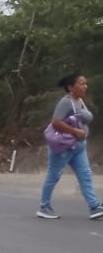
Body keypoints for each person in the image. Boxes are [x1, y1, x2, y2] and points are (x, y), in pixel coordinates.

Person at [37, 73, 103, 219]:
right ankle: (44, 207)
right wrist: (75, 131)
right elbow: (56, 122)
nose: (85, 86)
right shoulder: (66, 102)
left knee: (85, 176)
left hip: (78, 148)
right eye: (81, 84)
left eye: (85, 83)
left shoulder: (79, 101)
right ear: (70, 87)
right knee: (53, 176)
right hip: (64, 148)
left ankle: (94, 207)